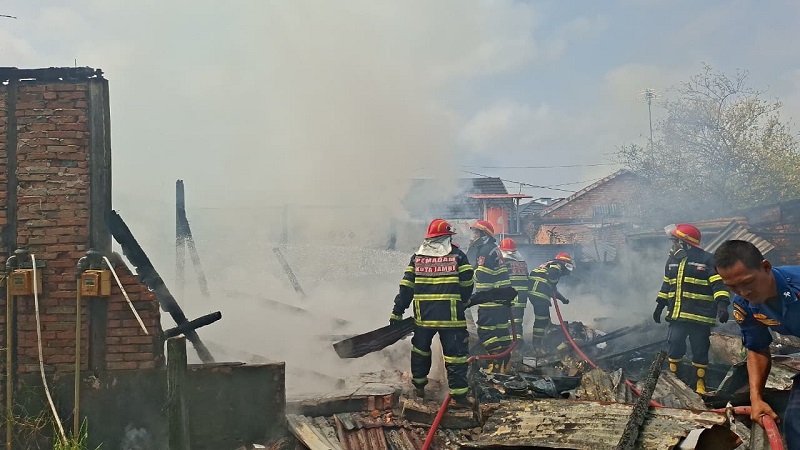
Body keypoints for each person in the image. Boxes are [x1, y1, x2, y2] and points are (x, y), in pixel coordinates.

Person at [714, 239, 800, 445]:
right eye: (732, 287)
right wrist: (756, 399)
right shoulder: (744, 304)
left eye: (747, 282)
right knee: (796, 424)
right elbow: (757, 348)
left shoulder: (796, 284)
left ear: (766, 267)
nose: (743, 292)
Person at [390, 219, 475, 406]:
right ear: (447, 237)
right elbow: (468, 283)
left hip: (424, 318)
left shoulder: (417, 258)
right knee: (455, 356)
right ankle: (459, 396)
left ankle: (419, 388)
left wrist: (397, 312)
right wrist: (464, 300)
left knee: (420, 351)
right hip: (451, 318)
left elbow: (406, 288)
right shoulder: (458, 256)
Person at [653, 224, 730, 395]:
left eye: (675, 241)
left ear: (685, 243)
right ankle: (675, 382)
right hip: (677, 316)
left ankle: (700, 384)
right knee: (674, 344)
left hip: (700, 318)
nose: (673, 245)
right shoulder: (672, 261)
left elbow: (719, 285)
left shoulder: (708, 260)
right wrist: (660, 304)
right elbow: (667, 284)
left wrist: (722, 305)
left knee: (700, 350)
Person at [469, 220, 512, 373]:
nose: (473, 236)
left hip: (490, 301)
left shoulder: (485, 250)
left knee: (485, 332)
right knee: (501, 332)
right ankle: (505, 363)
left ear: (483, 235)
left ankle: (495, 360)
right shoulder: (494, 249)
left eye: (475, 233)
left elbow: (482, 275)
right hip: (501, 301)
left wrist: (469, 271)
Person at [528, 252, 574, 352]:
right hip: (539, 293)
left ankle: (546, 339)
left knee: (546, 319)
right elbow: (552, 277)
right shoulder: (557, 264)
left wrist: (563, 300)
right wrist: (553, 284)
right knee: (541, 320)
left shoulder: (548, 264)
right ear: (566, 263)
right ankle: (536, 346)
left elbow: (553, 290)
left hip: (535, 291)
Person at [499, 238, 530, 344]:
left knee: (510, 321)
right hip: (522, 296)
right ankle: (518, 343)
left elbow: (500, 278)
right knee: (517, 321)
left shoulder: (504, 262)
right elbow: (527, 278)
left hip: (511, 295)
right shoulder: (522, 262)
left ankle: (514, 346)